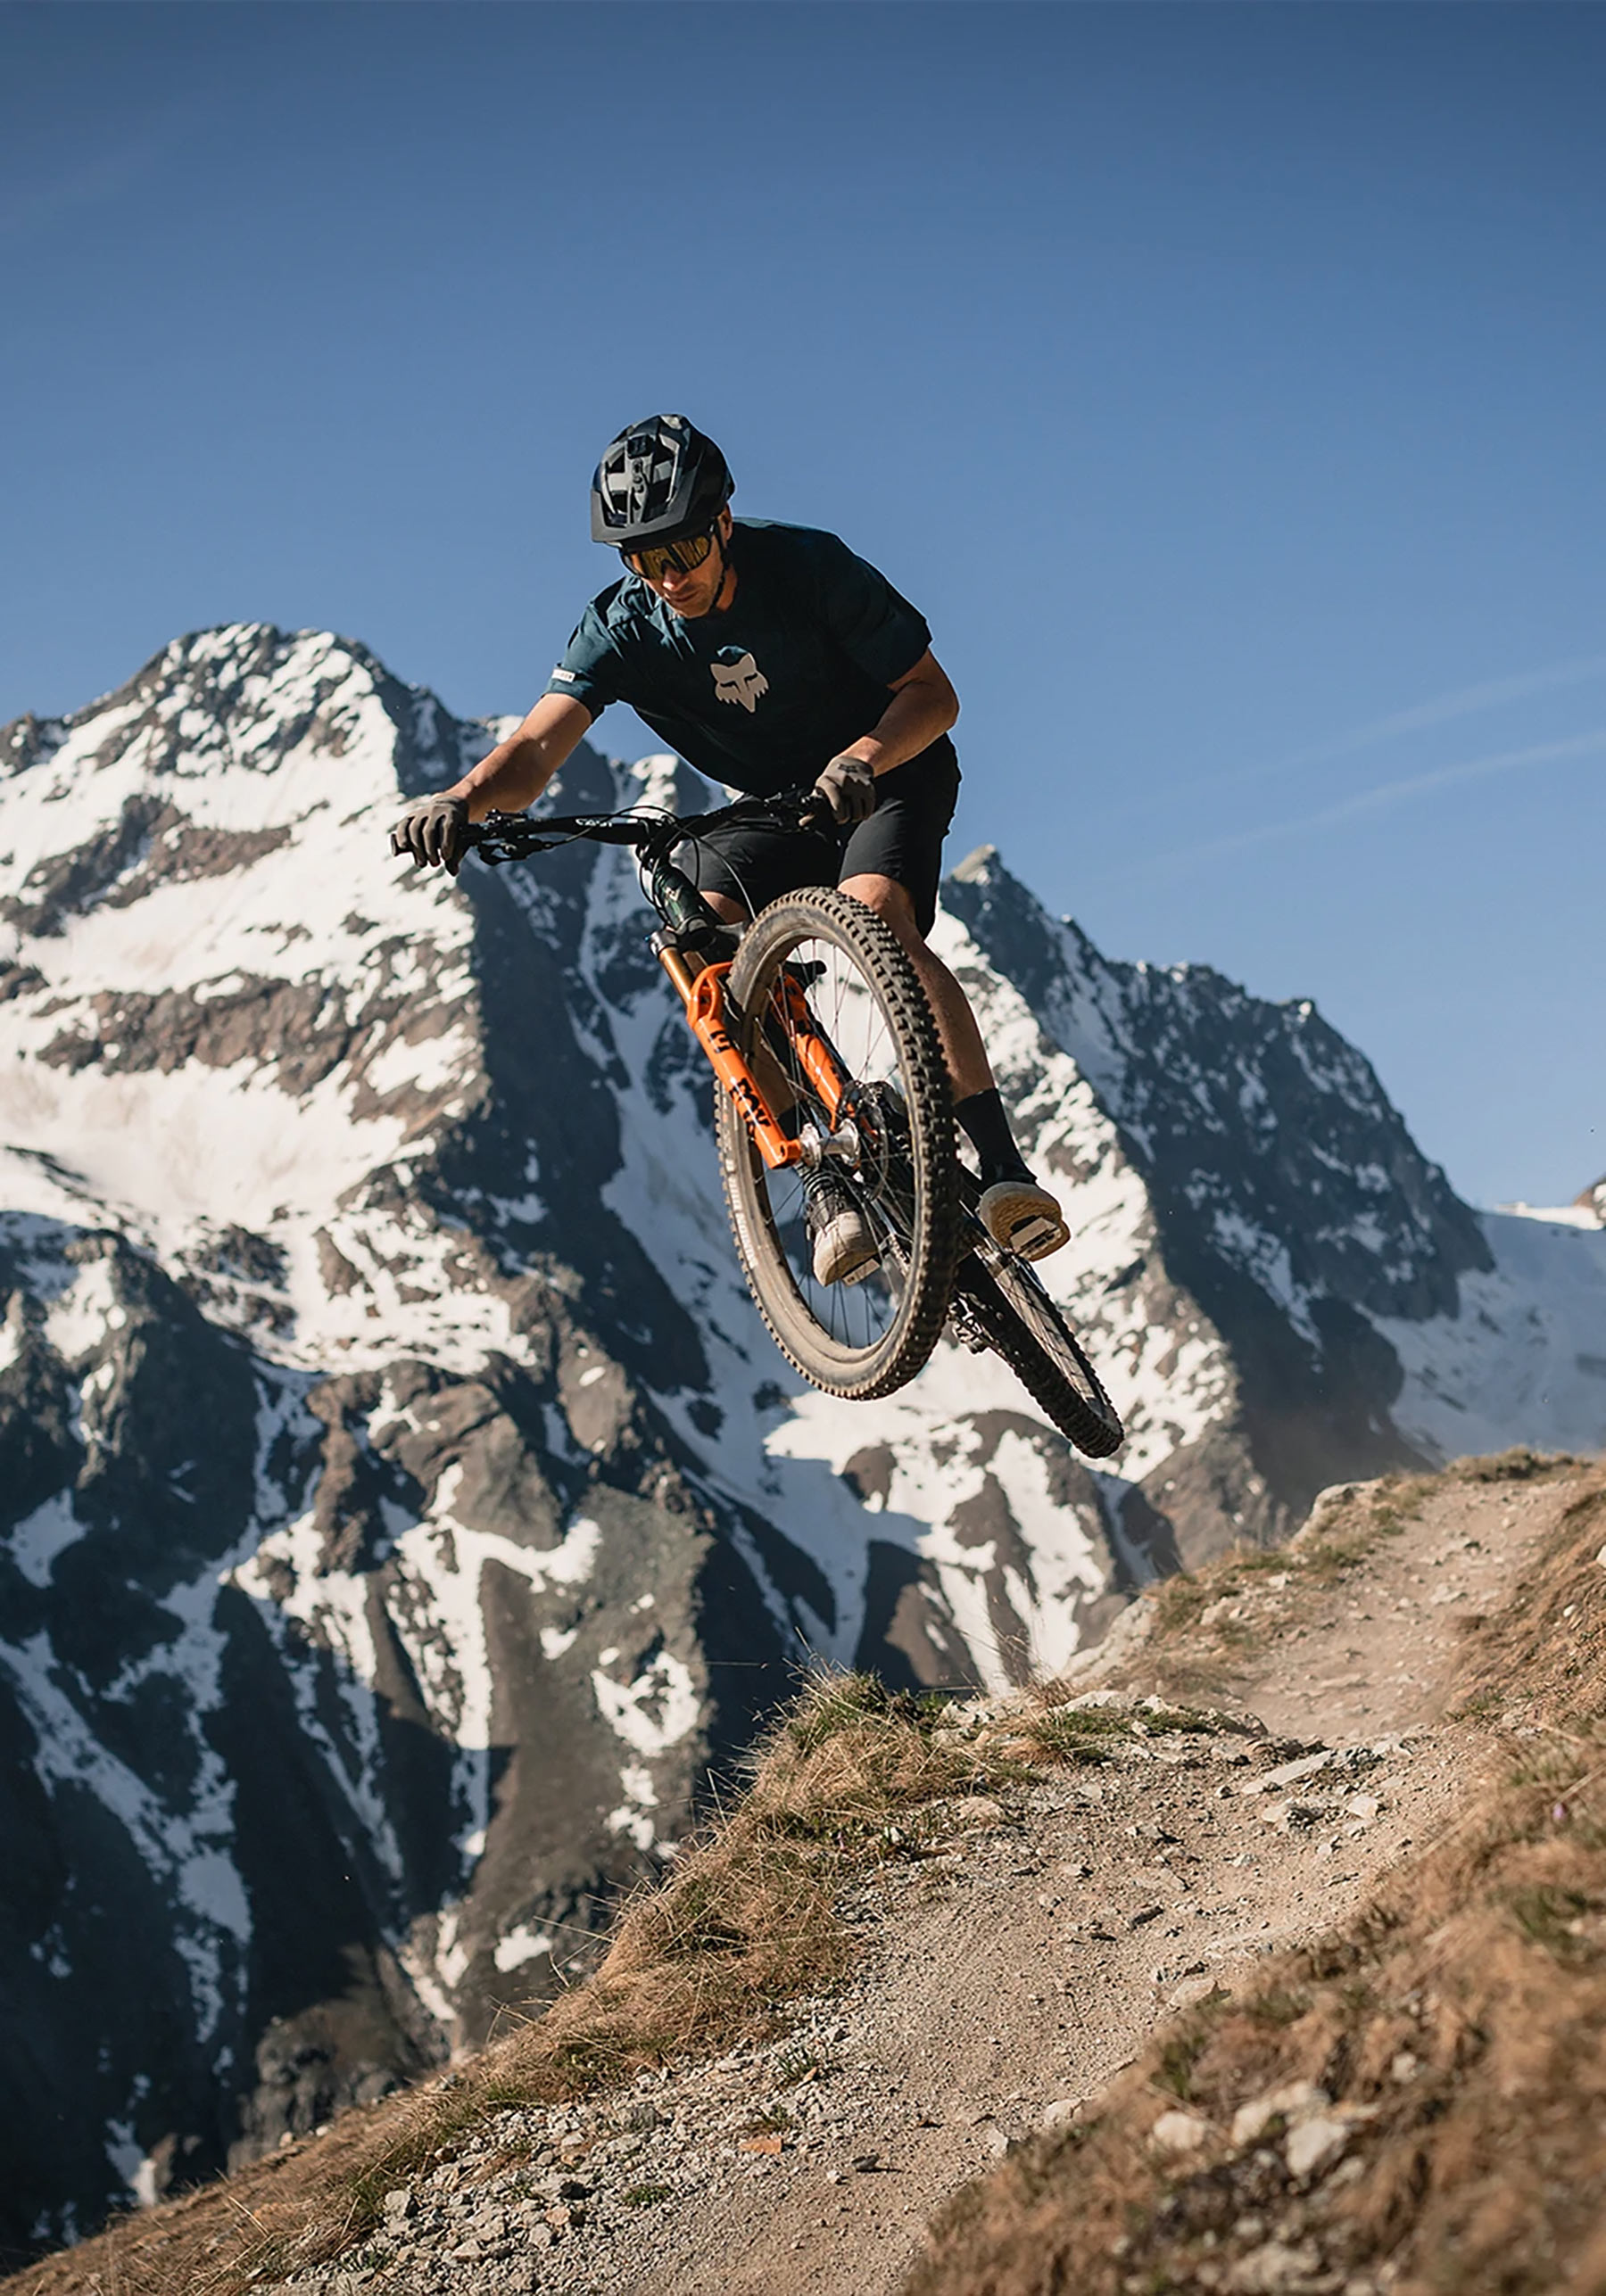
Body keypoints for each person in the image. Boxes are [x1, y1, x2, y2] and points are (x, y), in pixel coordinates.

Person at [392, 413, 1067, 1285]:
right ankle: (823, 1176)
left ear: (722, 522)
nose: (668, 577)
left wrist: (860, 760)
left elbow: (934, 696)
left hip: (889, 769)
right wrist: (460, 799)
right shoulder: (621, 627)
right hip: (780, 807)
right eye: (643, 559)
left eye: (682, 550)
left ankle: (1003, 1170)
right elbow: (533, 750)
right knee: (698, 936)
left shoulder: (809, 568)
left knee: (875, 917)